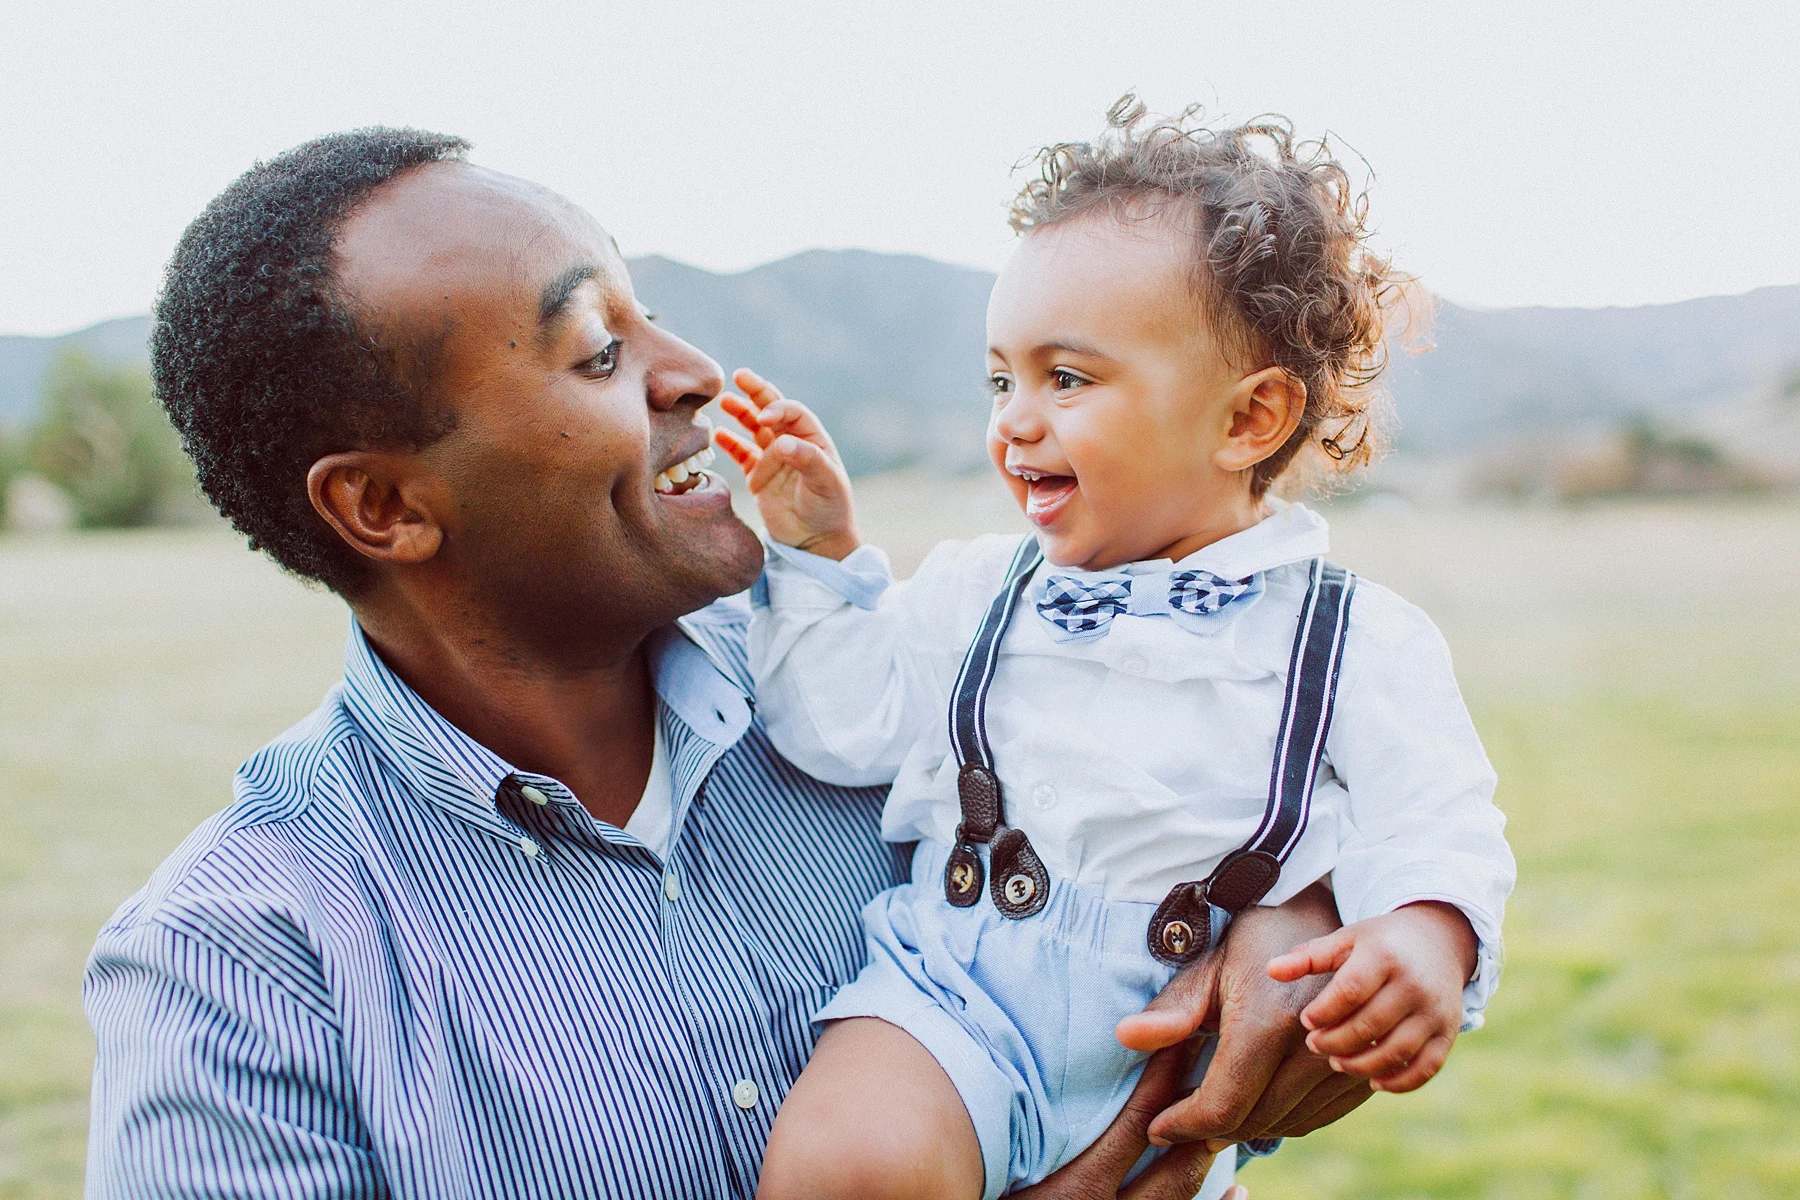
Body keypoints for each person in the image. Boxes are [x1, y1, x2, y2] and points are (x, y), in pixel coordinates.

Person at [82, 125, 1373, 1200]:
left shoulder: (879, 680)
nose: (693, 373)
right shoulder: (234, 974)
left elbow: (1191, 803)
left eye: (654, 319)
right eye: (599, 352)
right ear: (384, 508)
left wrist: (1293, 920)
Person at [716, 98, 1517, 1200]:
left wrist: (1425, 938)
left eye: (1068, 378)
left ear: (1247, 420)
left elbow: (1435, 818)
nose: (1015, 419)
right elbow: (840, 728)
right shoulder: (972, 591)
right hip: (952, 1008)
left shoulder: (1353, 640)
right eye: (1001, 378)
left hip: (1173, 1070)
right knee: (847, 1168)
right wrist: (816, 554)